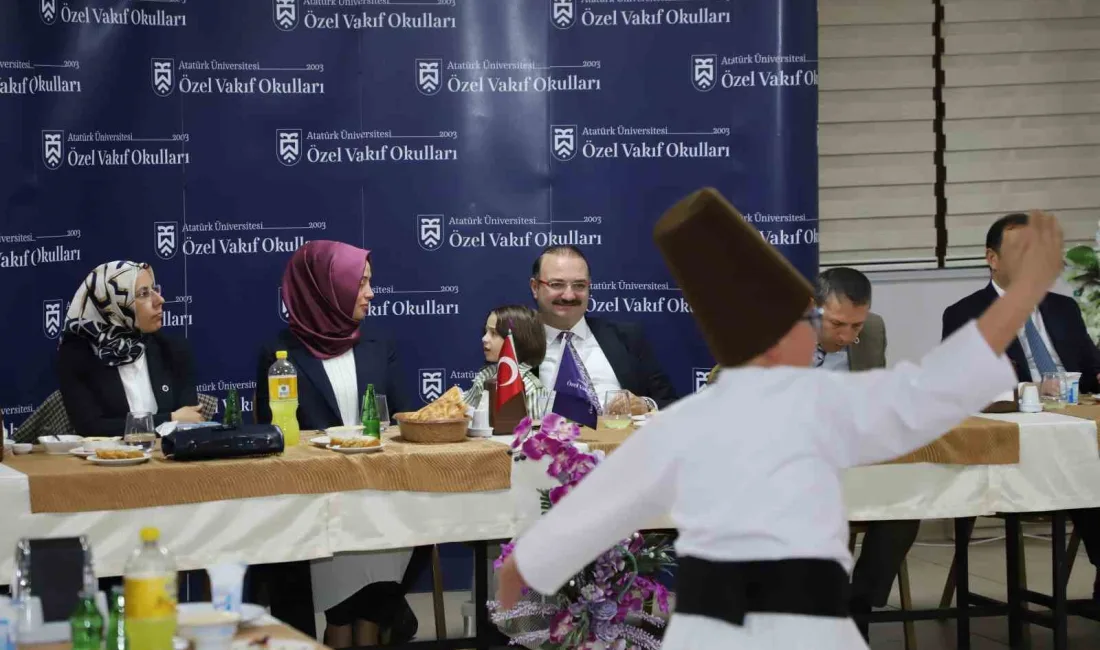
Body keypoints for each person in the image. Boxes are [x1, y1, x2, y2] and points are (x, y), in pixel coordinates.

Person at [496, 188, 1065, 649]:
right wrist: (1025, 293)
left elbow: (576, 527)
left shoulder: (680, 425)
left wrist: (523, 570)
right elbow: (937, 385)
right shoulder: (827, 405)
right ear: (778, 340)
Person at [254, 240, 416, 648]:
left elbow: (402, 418)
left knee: (406, 517)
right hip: (317, 494)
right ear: (327, 289)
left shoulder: (380, 344)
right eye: (360, 283)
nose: (371, 293)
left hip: (379, 486)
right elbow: (276, 434)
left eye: (369, 283)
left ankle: (367, 623)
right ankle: (343, 624)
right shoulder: (279, 353)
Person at [943, 212, 1100, 601]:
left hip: (1076, 425)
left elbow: (1093, 371)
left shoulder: (1062, 308)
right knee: (1086, 476)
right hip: (1021, 441)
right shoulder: (965, 314)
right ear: (992, 258)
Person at [807, 267, 919, 639]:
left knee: (908, 504)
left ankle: (858, 603)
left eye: (855, 326)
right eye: (838, 325)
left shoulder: (872, 331)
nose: (847, 336)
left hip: (855, 459)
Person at [57, 260, 204, 437]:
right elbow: (92, 429)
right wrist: (169, 419)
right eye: (144, 294)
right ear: (113, 305)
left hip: (167, 459)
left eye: (154, 290)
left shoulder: (173, 350)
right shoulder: (77, 356)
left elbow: (190, 420)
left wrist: (174, 421)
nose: (160, 300)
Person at [530, 245, 677, 409]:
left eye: (579, 285)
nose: (569, 295)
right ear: (535, 287)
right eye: (557, 284)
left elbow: (670, 403)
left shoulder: (627, 337)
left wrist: (646, 405)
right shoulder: (515, 346)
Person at [463, 304, 547, 413]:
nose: (484, 338)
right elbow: (462, 410)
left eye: (493, 333)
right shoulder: (486, 375)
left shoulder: (531, 388)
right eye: (486, 331)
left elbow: (536, 429)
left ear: (517, 340)